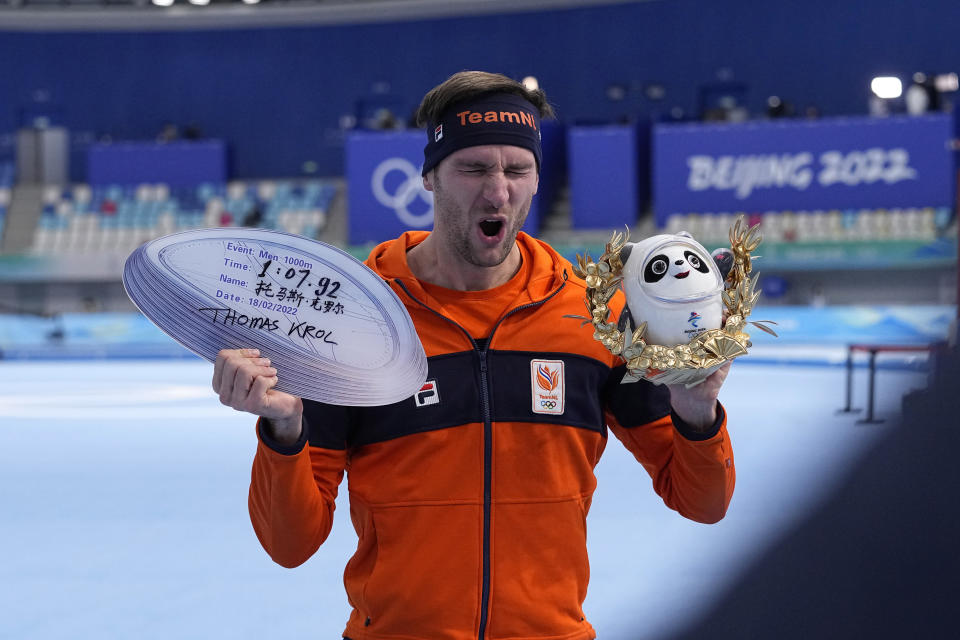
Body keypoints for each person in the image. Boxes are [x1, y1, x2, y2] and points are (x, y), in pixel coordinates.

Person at [212, 71, 735, 640]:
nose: (499, 191)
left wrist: (696, 410)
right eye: (474, 168)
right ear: (430, 177)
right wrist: (283, 431)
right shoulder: (355, 323)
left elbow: (702, 502)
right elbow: (291, 545)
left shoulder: (594, 317)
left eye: (517, 169)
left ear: (537, 179)